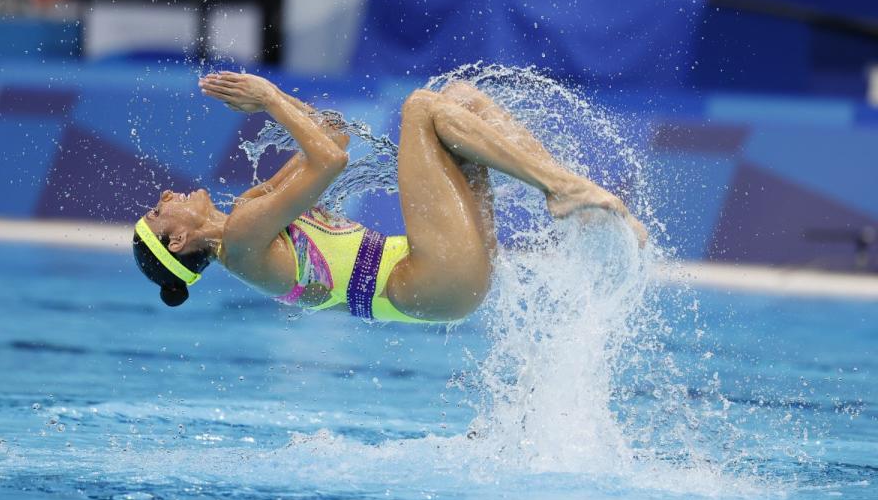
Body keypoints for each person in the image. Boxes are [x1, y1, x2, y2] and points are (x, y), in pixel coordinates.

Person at [133, 73, 646, 323]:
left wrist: (277, 100)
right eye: (159, 213)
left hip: (442, 279)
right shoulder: (243, 243)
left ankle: (574, 196)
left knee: (461, 98)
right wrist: (268, 98)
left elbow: (332, 135)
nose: (165, 195)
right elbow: (331, 162)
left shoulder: (248, 211)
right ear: (178, 240)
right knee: (421, 107)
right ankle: (561, 190)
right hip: (431, 281)